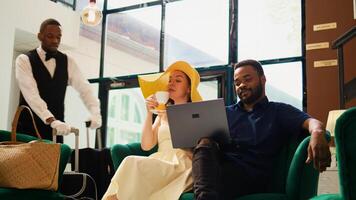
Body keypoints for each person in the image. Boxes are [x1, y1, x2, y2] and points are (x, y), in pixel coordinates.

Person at [192, 59, 332, 200]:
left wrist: (318, 132)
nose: (241, 85)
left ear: (262, 79)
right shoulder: (224, 113)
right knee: (205, 142)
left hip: (252, 177)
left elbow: (312, 122)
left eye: (247, 79)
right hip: (217, 172)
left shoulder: (278, 111)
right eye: (237, 82)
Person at [102, 61, 203, 200]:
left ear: (189, 89)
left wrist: (173, 119)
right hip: (159, 161)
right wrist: (150, 113)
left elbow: (198, 148)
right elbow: (146, 145)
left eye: (178, 80)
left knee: (131, 162)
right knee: (130, 163)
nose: (171, 83)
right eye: (170, 80)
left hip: (181, 163)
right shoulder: (162, 113)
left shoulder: (195, 113)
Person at [15, 18, 102, 142]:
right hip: (28, 129)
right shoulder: (24, 60)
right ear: (40, 36)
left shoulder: (68, 62)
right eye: (50, 36)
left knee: (58, 161)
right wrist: (51, 120)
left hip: (57, 129)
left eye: (58, 37)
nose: (55, 41)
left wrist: (95, 112)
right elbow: (31, 95)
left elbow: (85, 88)